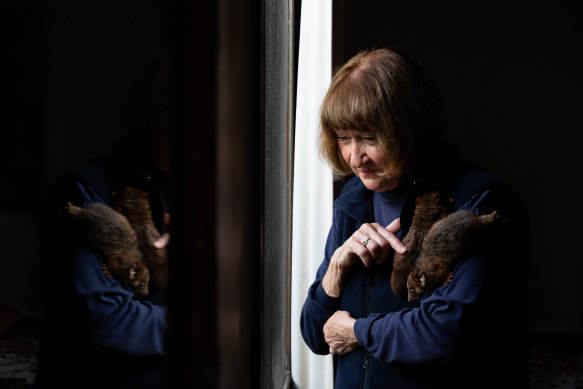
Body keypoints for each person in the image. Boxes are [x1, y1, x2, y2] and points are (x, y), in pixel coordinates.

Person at [300, 47, 530, 388]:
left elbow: (445, 331)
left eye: (369, 138)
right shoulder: (353, 201)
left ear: (409, 129)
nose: (355, 157)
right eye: (344, 138)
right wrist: (336, 266)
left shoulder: (478, 201)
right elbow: (316, 336)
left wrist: (358, 332)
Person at [35, 54, 173, 389]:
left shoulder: (209, 195)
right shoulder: (84, 192)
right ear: (159, 131)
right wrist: (215, 325)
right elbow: (112, 323)